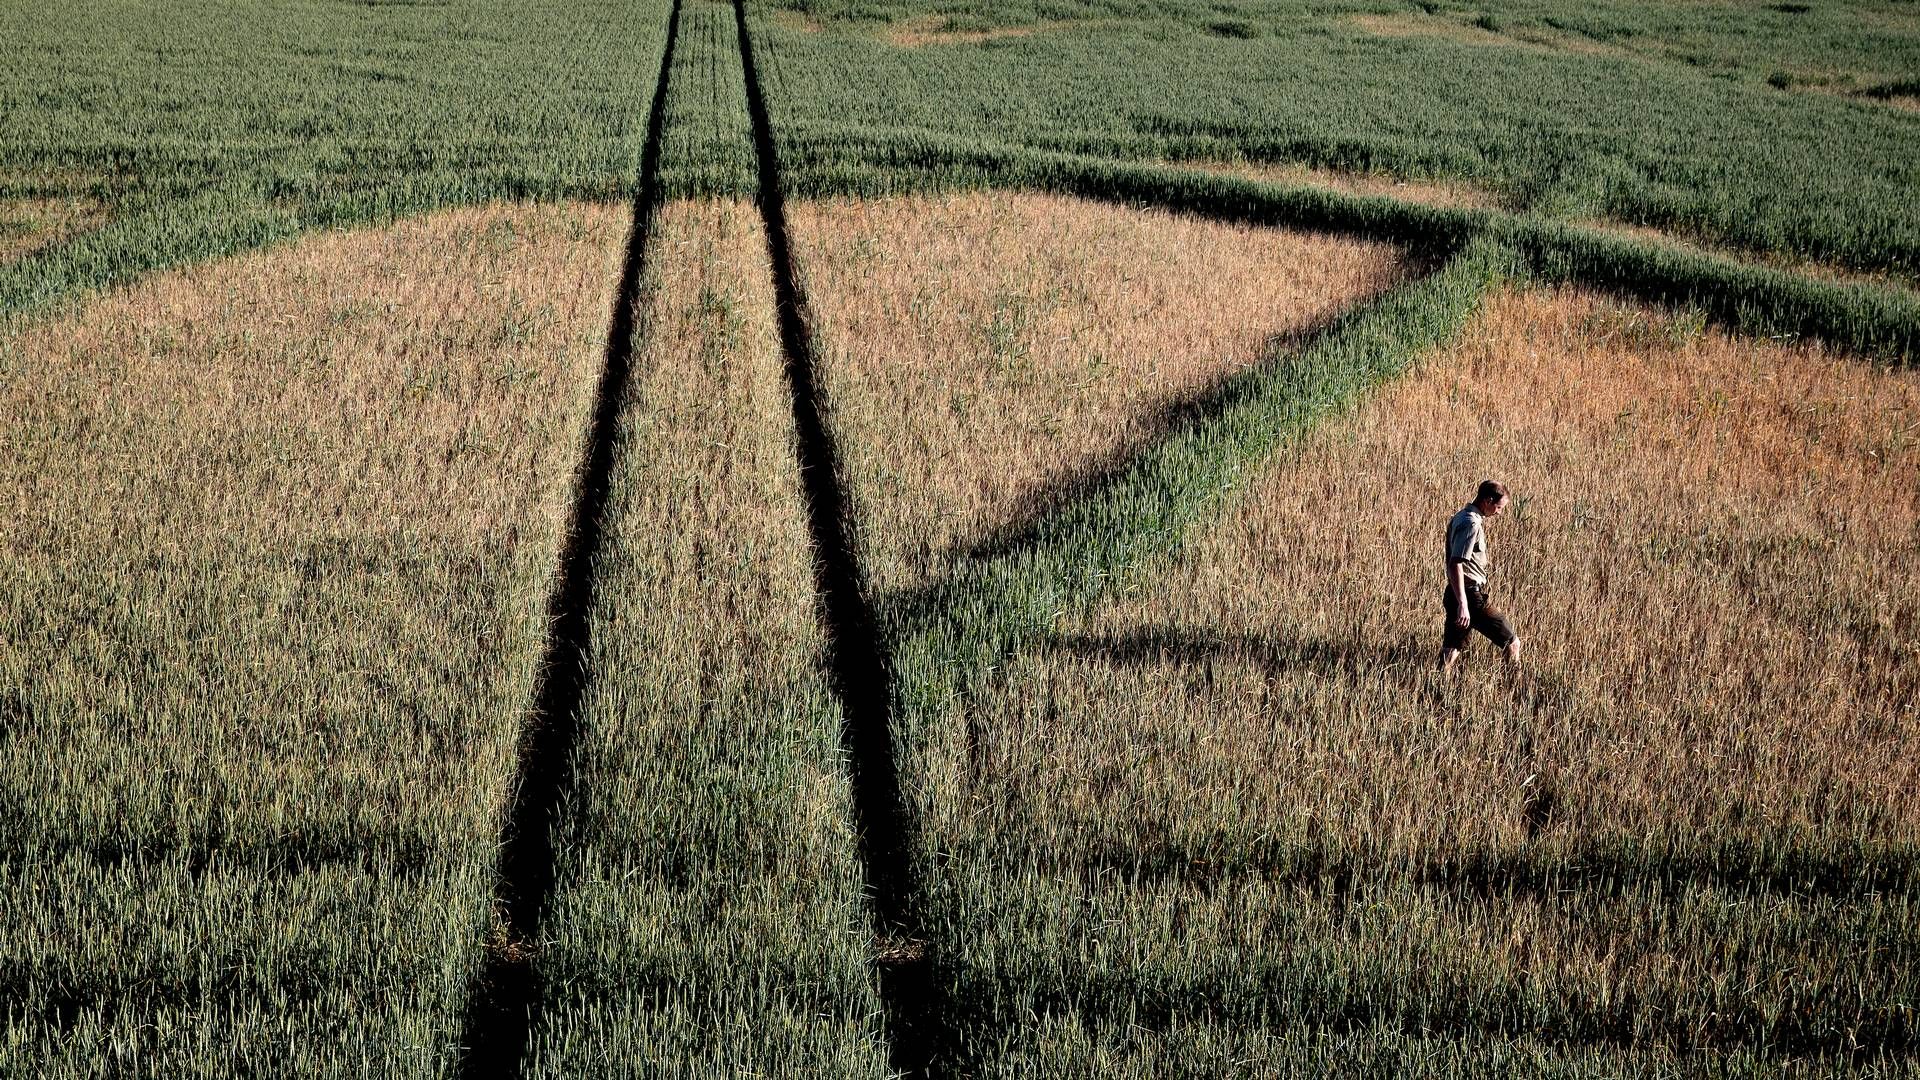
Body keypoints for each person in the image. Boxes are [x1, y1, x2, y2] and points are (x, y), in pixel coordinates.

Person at [1437, 479, 1520, 673]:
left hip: (1456, 593)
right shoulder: (1470, 524)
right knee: (1512, 643)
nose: (1499, 512)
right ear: (1488, 500)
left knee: (1452, 649)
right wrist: (1464, 605)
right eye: (1499, 507)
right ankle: (1516, 687)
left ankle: (1437, 686)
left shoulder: (1460, 516)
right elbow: (1455, 563)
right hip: (1470, 597)